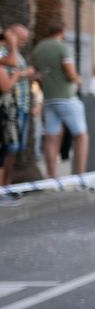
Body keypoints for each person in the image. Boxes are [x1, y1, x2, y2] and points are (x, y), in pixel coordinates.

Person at [31, 18, 88, 179]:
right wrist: (78, 79)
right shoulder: (62, 48)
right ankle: (81, 175)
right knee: (81, 135)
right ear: (61, 32)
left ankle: (52, 176)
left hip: (49, 98)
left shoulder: (38, 49)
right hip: (67, 97)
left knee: (51, 136)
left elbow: (37, 75)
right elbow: (70, 73)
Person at [0, 24, 35, 189]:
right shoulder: (5, 51)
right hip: (9, 107)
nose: (22, 43)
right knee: (8, 148)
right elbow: (6, 82)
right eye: (20, 39)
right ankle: (4, 187)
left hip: (20, 104)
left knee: (12, 148)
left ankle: (7, 186)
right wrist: (20, 73)